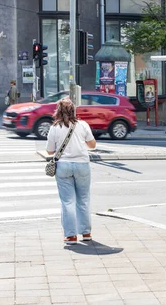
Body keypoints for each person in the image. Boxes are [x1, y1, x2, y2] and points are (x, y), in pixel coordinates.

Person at [46, 98, 96, 245]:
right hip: (82, 165)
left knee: (67, 201)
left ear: (58, 111)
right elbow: (92, 145)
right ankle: (86, 233)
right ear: (74, 110)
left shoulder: (55, 128)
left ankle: (71, 236)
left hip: (63, 166)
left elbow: (49, 151)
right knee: (84, 200)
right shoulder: (83, 125)